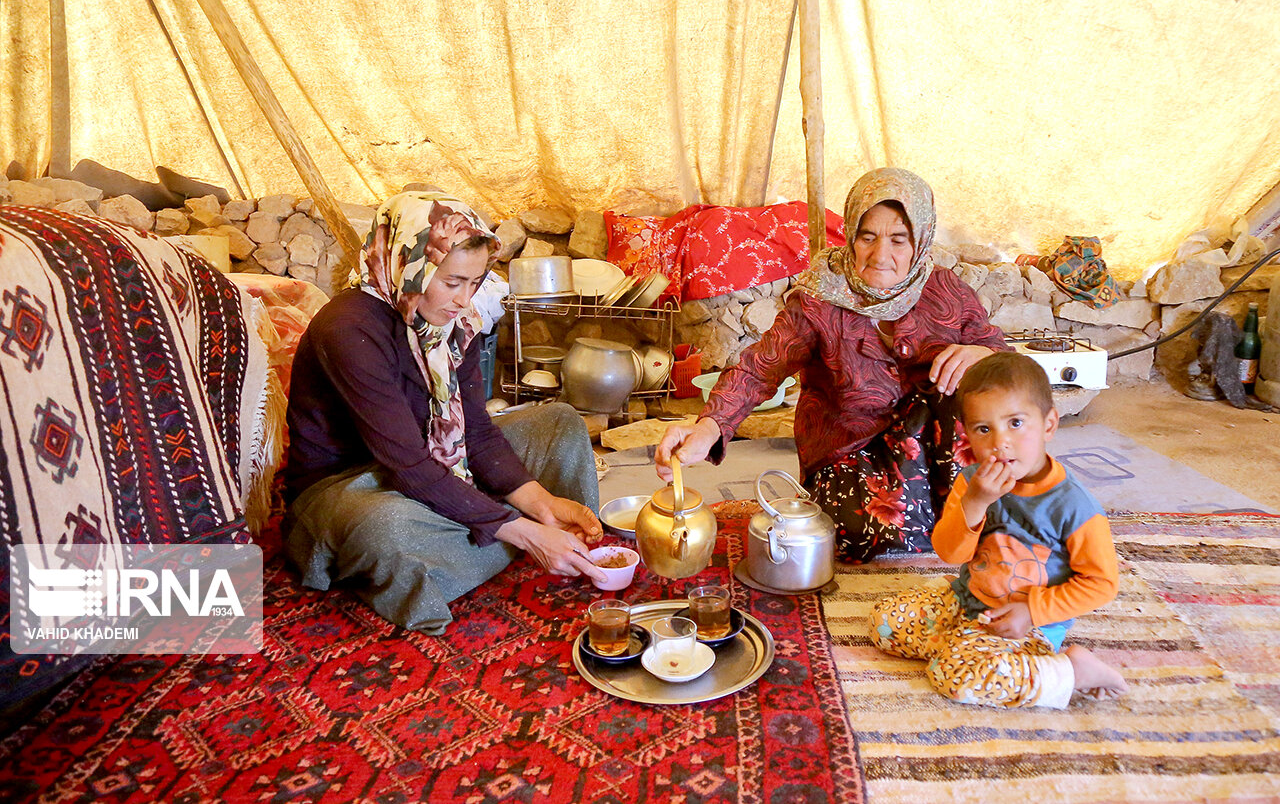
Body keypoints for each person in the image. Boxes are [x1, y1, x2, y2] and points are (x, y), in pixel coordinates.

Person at [283, 191, 605, 634]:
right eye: (452, 282)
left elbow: (476, 430)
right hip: (351, 488)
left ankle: (532, 533)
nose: (463, 299)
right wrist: (524, 529)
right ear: (408, 266)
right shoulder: (350, 328)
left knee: (560, 423)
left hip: (431, 467)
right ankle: (521, 538)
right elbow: (406, 464)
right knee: (389, 530)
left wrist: (543, 504)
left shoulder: (452, 325)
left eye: (474, 282)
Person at [656, 168, 1008, 562]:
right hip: (849, 448)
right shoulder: (819, 299)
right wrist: (709, 427)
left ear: (920, 239)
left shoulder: (946, 291)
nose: (881, 256)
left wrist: (985, 355)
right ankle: (940, 521)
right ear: (852, 235)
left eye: (898, 239)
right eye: (867, 237)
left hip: (930, 444)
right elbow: (759, 367)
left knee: (972, 389)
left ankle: (960, 513)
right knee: (857, 535)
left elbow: (1003, 359)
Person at [869, 352, 1127, 708]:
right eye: (983, 429)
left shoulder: (1075, 507)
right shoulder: (973, 482)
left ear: (1049, 424)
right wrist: (975, 504)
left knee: (955, 678)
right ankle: (967, 646)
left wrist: (1033, 612)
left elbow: (1101, 584)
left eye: (1016, 423)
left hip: (1025, 624)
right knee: (885, 624)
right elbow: (949, 553)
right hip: (966, 599)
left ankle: (1070, 671)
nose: (999, 442)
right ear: (968, 435)